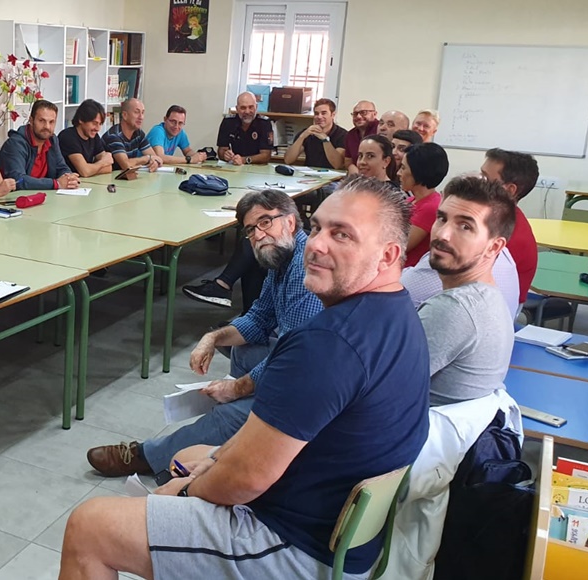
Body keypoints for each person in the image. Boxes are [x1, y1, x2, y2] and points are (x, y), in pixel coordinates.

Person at [60, 177, 429, 580]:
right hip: (338, 533)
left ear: (389, 253)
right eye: (319, 227)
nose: (318, 244)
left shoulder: (327, 342)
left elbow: (244, 480)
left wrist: (184, 492)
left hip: (294, 546)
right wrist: (213, 464)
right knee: (191, 456)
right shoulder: (398, 313)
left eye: (342, 234)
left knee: (90, 525)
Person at [88, 190, 323, 476]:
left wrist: (238, 388)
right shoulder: (284, 257)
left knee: (230, 416)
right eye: (250, 230)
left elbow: (291, 356)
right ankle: (242, 420)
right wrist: (211, 338)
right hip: (302, 363)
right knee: (243, 349)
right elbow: (260, 318)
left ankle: (147, 456)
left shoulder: (304, 267)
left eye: (265, 223)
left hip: (317, 383)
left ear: (290, 222)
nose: (258, 236)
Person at [419, 176, 516, 406]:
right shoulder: (489, 296)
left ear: (494, 247)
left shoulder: (454, 309)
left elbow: (378, 388)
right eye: (441, 218)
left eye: (465, 226)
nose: (442, 234)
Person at [481, 148, 540, 307]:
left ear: (509, 189)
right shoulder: (496, 216)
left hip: (497, 307)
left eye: (485, 178)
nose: (478, 182)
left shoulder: (511, 233)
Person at [0, 99, 80, 190]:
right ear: (31, 121)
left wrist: (68, 177)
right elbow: (18, 179)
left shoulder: (52, 140)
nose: (47, 127)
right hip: (13, 199)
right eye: (42, 121)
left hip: (42, 197)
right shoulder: (15, 143)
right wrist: (56, 184)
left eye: (51, 122)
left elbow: (61, 167)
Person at [398, 142, 450, 268]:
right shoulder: (411, 200)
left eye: (403, 168)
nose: (399, 173)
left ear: (418, 172)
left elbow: (400, 246)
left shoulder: (430, 207)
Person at [283, 98, 347, 169]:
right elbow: (288, 160)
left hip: (334, 176)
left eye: (323, 113)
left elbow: (338, 165)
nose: (319, 117)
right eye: (316, 113)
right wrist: (302, 137)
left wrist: (325, 140)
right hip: (309, 175)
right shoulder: (307, 132)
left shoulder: (342, 135)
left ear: (332, 115)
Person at [58, 99, 114, 178]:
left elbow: (109, 167)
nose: (98, 128)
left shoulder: (94, 136)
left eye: (100, 124)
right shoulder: (68, 137)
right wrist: (102, 163)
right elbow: (85, 172)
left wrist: (91, 168)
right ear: (81, 119)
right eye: (94, 123)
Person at [103, 98, 163, 171]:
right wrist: (147, 158)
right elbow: (126, 165)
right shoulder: (114, 136)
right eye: (136, 112)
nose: (141, 117)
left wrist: (154, 162)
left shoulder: (139, 133)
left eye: (143, 112)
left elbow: (156, 158)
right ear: (125, 115)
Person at [216, 92, 275, 166]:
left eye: (251, 107)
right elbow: (221, 150)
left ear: (256, 107)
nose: (247, 111)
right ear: (237, 109)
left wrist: (244, 160)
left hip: (256, 168)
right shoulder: (228, 122)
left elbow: (266, 155)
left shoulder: (264, 123)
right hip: (234, 166)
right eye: (243, 108)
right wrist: (226, 155)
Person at [342, 100, 379, 174]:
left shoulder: (380, 130)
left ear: (374, 114)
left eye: (363, 112)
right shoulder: (350, 135)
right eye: (355, 114)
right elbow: (348, 161)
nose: (358, 116)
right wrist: (351, 167)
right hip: (357, 178)